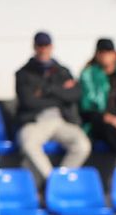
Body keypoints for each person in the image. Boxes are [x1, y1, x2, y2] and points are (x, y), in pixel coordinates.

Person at [14, 30, 91, 181]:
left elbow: (75, 94)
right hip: (35, 121)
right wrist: (61, 93)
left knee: (82, 145)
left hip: (60, 120)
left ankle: (58, 183)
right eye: (40, 45)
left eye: (46, 45)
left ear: (51, 47)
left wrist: (47, 91)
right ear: (34, 47)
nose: (43, 49)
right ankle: (53, 182)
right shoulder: (24, 73)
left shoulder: (62, 71)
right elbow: (28, 102)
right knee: (29, 144)